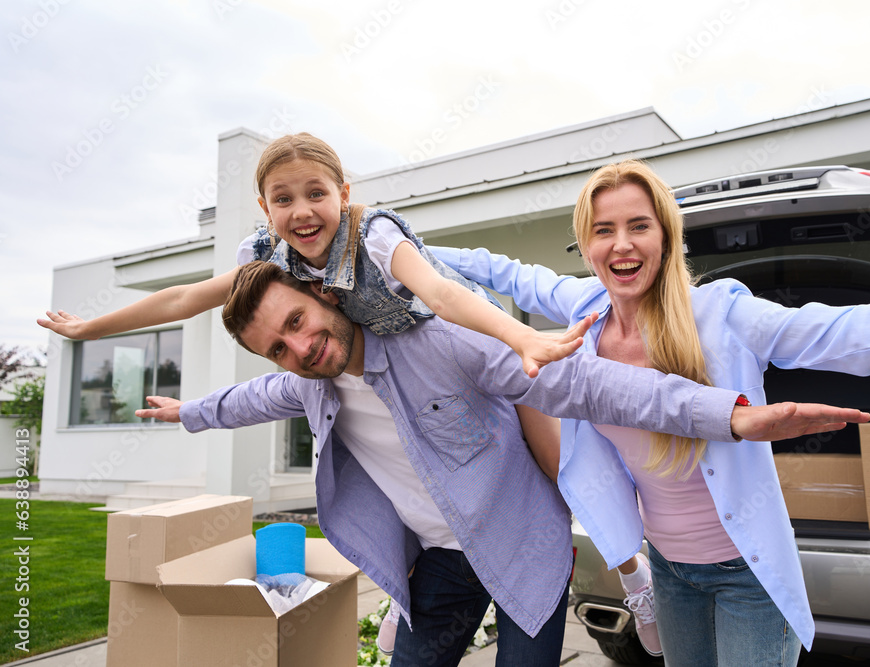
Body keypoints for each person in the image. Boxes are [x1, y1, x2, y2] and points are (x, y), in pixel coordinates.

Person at [34, 132, 651, 647]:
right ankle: (425, 605)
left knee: (553, 463)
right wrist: (95, 329)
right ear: (264, 207)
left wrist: (520, 339)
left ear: (343, 194)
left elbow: (441, 295)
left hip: (466, 335)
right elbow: (188, 303)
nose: (302, 211)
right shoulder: (273, 265)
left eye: (315, 193)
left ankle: (631, 572)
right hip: (441, 530)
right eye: (283, 199)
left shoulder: (375, 237)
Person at [136, 260, 870, 667]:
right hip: (442, 566)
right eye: (277, 346)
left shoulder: (440, 341)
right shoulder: (307, 383)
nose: (298, 349)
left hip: (526, 546)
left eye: (297, 322)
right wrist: (187, 411)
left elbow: (587, 383)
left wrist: (729, 414)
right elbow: (248, 399)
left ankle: (630, 569)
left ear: (325, 294)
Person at [431, 159, 870, 666]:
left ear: (667, 237)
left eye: (639, 226)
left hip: (744, 574)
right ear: (587, 244)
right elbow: (496, 268)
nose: (621, 245)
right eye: (604, 230)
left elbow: (849, 332)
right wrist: (388, 245)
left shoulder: (724, 316)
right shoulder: (585, 309)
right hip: (670, 573)